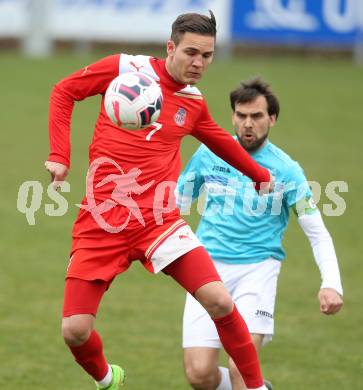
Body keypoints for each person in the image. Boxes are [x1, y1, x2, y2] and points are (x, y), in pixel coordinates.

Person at [45, 11, 274, 390]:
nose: (199, 63)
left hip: (159, 222)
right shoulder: (123, 69)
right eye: (191, 52)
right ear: (170, 47)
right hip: (102, 222)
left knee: (219, 300)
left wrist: (260, 175)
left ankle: (254, 386)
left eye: (208, 55)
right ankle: (107, 379)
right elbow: (64, 90)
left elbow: (218, 140)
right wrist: (60, 155)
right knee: (75, 330)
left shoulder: (192, 103)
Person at [176, 77, 344, 390]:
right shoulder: (209, 154)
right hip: (206, 270)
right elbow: (175, 206)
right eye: (241, 116)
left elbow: (317, 232)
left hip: (257, 270)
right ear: (233, 116)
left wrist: (331, 283)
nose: (247, 124)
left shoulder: (287, 171)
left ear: (272, 119)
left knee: (240, 365)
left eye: (256, 116)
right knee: (199, 374)